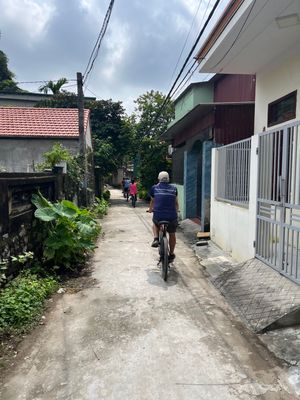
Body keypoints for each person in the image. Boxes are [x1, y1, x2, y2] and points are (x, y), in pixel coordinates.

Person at [148, 171, 179, 262]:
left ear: (159, 179)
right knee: (172, 234)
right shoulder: (174, 188)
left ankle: (156, 238)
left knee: (155, 222)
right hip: (171, 217)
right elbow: (176, 203)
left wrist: (150, 210)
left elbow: (153, 201)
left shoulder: (154, 188)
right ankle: (172, 253)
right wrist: (176, 211)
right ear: (168, 179)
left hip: (159, 215)